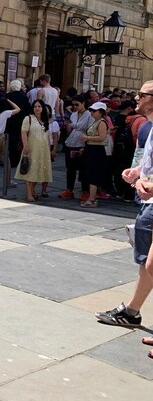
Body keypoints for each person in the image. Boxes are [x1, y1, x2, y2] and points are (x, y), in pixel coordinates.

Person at [95, 80, 153, 348]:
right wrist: (138, 172)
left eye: (142, 94)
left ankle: (131, 312)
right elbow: (148, 161)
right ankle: (131, 312)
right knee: (148, 264)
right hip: (150, 203)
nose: (136, 97)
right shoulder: (149, 126)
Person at [14, 100, 53, 202]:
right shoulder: (28, 118)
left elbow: (47, 136)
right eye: (35, 106)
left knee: (38, 171)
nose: (37, 108)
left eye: (39, 106)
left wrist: (49, 149)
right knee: (30, 170)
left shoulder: (45, 120)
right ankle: (29, 193)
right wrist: (25, 145)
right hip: (31, 148)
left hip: (43, 149)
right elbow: (23, 132)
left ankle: (33, 191)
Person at [59, 95, 92, 200]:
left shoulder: (89, 115)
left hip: (82, 143)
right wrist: (67, 125)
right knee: (70, 168)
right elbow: (70, 130)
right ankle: (69, 189)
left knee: (83, 168)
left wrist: (85, 146)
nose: (75, 107)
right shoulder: (73, 115)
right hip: (71, 142)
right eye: (73, 105)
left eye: (77, 104)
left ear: (83, 103)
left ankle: (85, 191)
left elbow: (89, 130)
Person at [79, 102, 111, 208]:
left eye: (94, 111)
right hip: (91, 149)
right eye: (91, 110)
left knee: (93, 174)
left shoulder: (102, 122)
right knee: (90, 173)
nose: (91, 112)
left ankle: (92, 199)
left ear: (101, 112)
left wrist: (88, 138)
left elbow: (102, 137)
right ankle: (91, 197)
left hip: (97, 150)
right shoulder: (96, 121)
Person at [6, 79, 31, 187]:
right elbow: (27, 111)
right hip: (21, 125)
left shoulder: (7, 96)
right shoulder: (24, 97)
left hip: (9, 124)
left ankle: (9, 170)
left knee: (9, 149)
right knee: (20, 145)